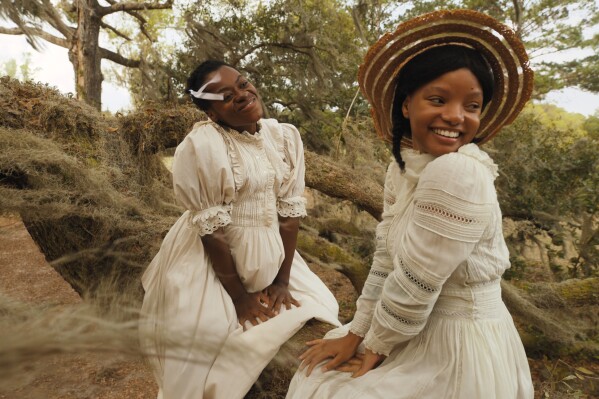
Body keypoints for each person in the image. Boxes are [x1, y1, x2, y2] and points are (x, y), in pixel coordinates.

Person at [286, 9, 535, 399]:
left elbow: (418, 282)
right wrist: (356, 331)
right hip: (415, 328)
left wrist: (375, 345)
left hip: (455, 344)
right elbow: (387, 261)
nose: (455, 117)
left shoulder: (458, 172)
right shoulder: (404, 168)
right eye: (438, 99)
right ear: (406, 105)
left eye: (472, 106)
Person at [139, 60, 340, 399]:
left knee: (322, 307)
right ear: (212, 113)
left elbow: (289, 214)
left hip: (271, 252)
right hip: (214, 260)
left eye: (243, 84)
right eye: (226, 95)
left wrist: (281, 280)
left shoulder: (283, 137)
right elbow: (211, 231)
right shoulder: (204, 145)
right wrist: (240, 298)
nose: (243, 95)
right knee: (202, 352)